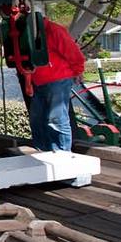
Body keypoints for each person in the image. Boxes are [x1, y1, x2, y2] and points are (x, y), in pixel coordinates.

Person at [29, 18, 85, 152]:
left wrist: (78, 69)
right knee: (37, 119)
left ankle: (62, 154)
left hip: (57, 79)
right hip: (38, 80)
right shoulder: (30, 33)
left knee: (57, 119)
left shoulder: (54, 30)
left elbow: (72, 51)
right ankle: (44, 151)